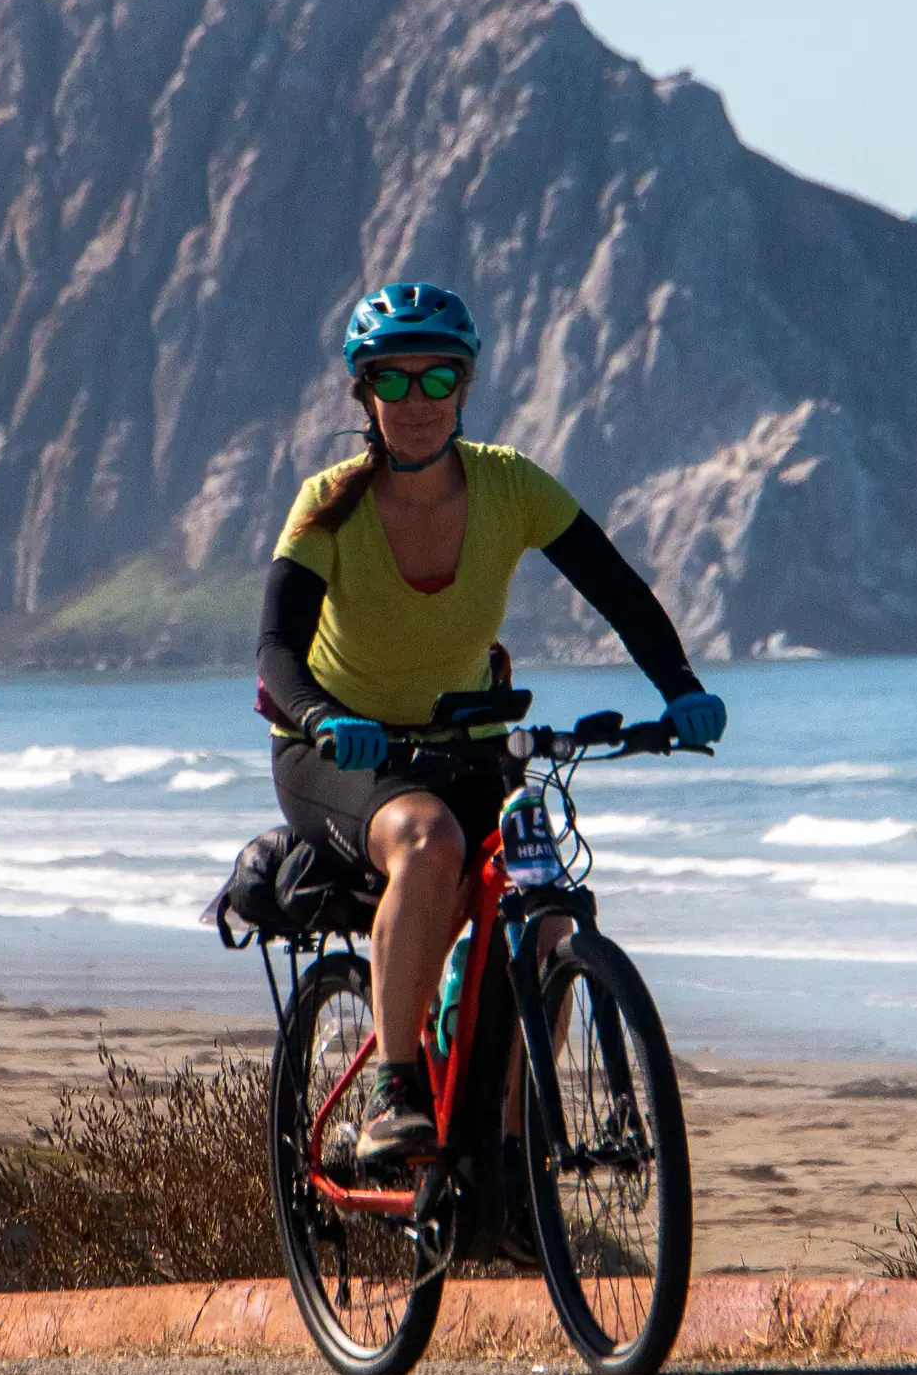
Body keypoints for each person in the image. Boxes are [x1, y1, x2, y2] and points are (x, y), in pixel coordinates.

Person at [257, 282, 725, 1169]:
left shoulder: (509, 484)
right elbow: (277, 646)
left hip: (471, 743)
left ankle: (510, 1155)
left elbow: (617, 588)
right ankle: (398, 1093)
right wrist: (322, 716)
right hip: (339, 751)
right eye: (393, 381)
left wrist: (680, 687)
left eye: (438, 377)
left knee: (545, 912)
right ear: (364, 393)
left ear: (465, 384)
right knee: (427, 840)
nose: (419, 400)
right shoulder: (331, 502)